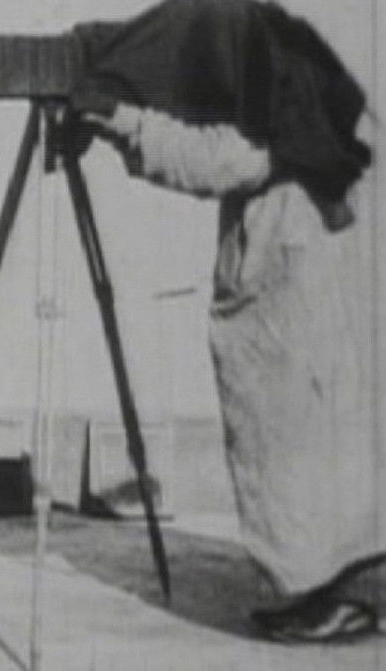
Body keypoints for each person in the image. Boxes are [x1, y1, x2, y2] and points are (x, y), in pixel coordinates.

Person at [66, 93, 380, 642]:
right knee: (315, 450)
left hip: (292, 275)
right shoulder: (321, 78)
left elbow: (229, 159)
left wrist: (126, 123)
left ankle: (338, 597)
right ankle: (332, 588)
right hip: (306, 265)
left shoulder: (290, 87)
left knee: (295, 449)